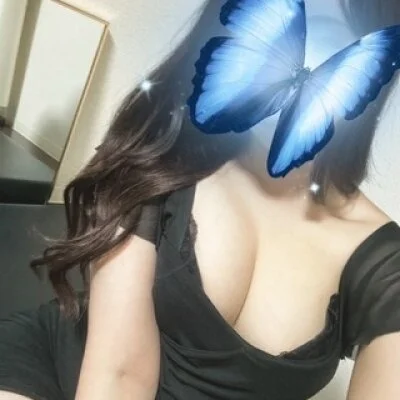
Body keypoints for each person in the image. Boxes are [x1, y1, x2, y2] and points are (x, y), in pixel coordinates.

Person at [1, 0, 400, 399]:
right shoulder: (164, 148)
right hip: (49, 369)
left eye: (327, 36)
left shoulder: (383, 264)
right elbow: (119, 376)